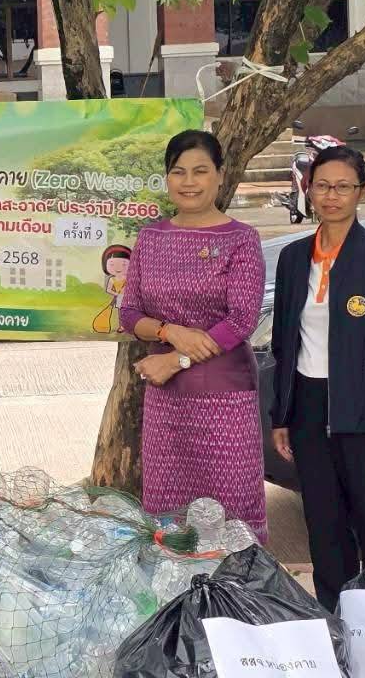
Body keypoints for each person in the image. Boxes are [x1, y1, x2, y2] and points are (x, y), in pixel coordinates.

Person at [269, 145, 365, 612]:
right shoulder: (294, 260)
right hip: (310, 410)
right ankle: (336, 626)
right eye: (322, 186)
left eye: (343, 187)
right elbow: (283, 345)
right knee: (325, 529)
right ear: (307, 190)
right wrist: (282, 414)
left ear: (363, 192)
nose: (331, 196)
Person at [118, 131, 267, 541]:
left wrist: (175, 358)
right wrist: (170, 332)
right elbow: (129, 312)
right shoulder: (151, 238)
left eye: (200, 171)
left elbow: (241, 320)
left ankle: (237, 601)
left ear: (220, 175)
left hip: (225, 399)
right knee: (171, 523)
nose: (188, 181)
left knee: (230, 517)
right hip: (167, 404)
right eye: (178, 171)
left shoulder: (241, 239)